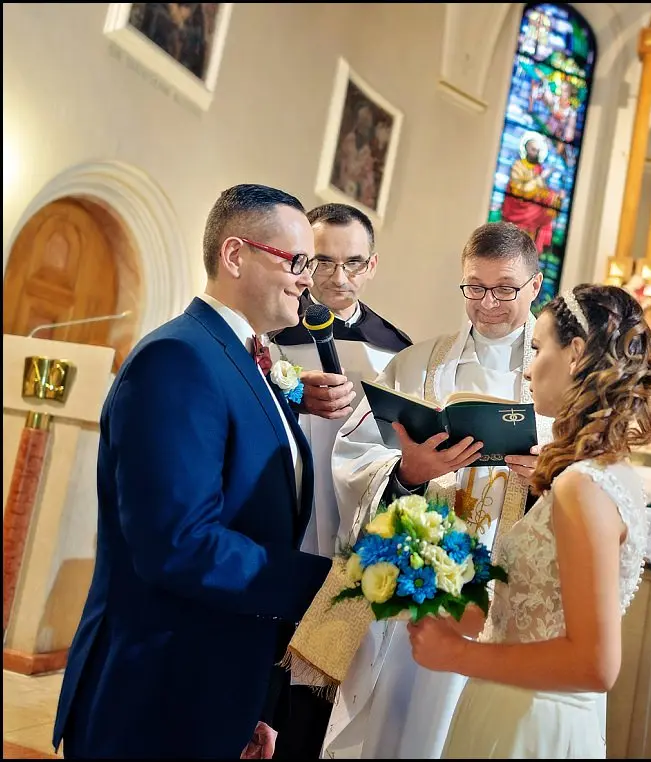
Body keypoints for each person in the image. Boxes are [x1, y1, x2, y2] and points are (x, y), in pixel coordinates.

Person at [52, 184, 334, 759]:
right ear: (235, 256)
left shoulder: (250, 365)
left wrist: (254, 702)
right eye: (298, 261)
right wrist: (327, 584)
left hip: (214, 689)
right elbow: (177, 543)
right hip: (154, 694)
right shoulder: (178, 359)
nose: (309, 279)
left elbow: (257, 523)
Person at [407, 284, 651, 758]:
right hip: (513, 703)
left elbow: (595, 664)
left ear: (576, 354)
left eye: (536, 347)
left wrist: (456, 656)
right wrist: (448, 604)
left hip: (532, 722)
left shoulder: (582, 485)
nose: (527, 368)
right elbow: (539, 607)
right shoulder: (604, 471)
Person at [323, 221, 551, 759]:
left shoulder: (564, 370)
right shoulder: (418, 364)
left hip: (509, 579)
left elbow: (591, 477)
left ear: (535, 287)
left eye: (505, 288)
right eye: (474, 286)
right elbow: (355, 455)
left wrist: (547, 478)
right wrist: (408, 472)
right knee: (404, 715)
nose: (488, 302)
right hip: (422, 570)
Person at [268, 202, 413, 759]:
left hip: (352, 525)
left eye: (352, 263)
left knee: (318, 697)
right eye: (323, 262)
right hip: (280, 510)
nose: (336, 277)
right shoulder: (269, 326)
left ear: (371, 265)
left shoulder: (395, 348)